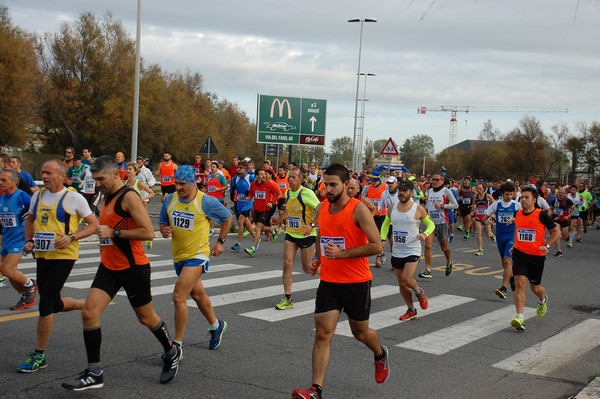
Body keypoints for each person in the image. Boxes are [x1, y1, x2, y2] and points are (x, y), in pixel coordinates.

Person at [62, 156, 180, 390]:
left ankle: (171, 350)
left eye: (101, 179)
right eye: (94, 179)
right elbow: (101, 226)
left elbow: (148, 232)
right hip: (108, 266)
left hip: (132, 268)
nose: (97, 184)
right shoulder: (107, 196)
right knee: (89, 313)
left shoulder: (129, 197)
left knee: (146, 318)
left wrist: (114, 233)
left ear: (116, 174)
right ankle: (94, 372)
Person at [291, 164, 389, 399]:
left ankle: (379, 354)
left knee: (361, 333)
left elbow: (377, 246)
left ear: (347, 185)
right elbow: (323, 234)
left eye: (334, 184)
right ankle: (316, 390)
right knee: (323, 333)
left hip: (357, 282)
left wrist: (342, 254)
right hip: (330, 282)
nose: (328, 188)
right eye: (326, 183)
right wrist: (318, 258)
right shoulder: (322, 208)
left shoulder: (358, 210)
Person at [18, 160, 98, 372]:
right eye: (42, 172)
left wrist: (72, 237)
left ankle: (39, 355)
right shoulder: (37, 196)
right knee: (53, 303)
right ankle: (86, 304)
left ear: (62, 177)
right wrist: (28, 240)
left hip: (64, 255)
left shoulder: (73, 197)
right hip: (43, 253)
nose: (44, 176)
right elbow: (30, 220)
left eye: (49, 173)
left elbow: (94, 225)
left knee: (45, 303)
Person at [159, 165, 232, 354]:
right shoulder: (170, 200)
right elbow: (162, 222)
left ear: (193, 183)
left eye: (182, 184)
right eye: (176, 183)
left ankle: (177, 345)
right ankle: (217, 326)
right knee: (198, 294)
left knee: (178, 296)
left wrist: (220, 242)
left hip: (197, 255)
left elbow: (227, 218)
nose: (178, 187)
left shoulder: (205, 201)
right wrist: (164, 230)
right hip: (179, 255)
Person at [380, 180, 434, 321]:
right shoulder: (392, 208)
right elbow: (385, 224)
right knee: (402, 284)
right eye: (400, 190)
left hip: (412, 249)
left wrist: (424, 234)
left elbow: (431, 224)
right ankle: (411, 309)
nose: (401, 193)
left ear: (411, 192)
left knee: (406, 278)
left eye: (404, 191)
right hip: (397, 250)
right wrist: (383, 239)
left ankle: (419, 292)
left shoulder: (418, 209)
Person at [509, 186, 560, 332]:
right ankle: (520, 317)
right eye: (521, 198)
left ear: (534, 200)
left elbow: (555, 232)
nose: (523, 200)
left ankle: (542, 299)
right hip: (519, 254)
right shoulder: (518, 213)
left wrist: (548, 246)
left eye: (526, 197)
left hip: (536, 256)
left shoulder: (541, 215)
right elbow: (519, 230)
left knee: (535, 288)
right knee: (520, 284)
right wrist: (515, 244)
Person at [275, 167, 319, 310]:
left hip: (306, 234)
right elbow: (288, 209)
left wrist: (311, 225)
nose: (291, 179)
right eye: (290, 177)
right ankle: (288, 298)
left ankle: (334, 276)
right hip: (291, 233)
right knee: (287, 263)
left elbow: (321, 209)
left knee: (308, 268)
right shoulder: (287, 193)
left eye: (294, 177)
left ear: (301, 179)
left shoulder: (307, 193)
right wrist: (280, 220)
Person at [0, 168, 35, 310]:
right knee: (7, 271)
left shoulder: (23, 197)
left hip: (20, 239)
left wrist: (31, 236)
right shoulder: (2, 198)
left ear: (15, 182)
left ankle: (30, 285)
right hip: (7, 240)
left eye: (4, 180)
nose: (0, 182)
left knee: (7, 269)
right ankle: (26, 295)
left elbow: (36, 213)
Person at [482, 181, 521, 299]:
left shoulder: (516, 205)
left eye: (511, 194)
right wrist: (487, 221)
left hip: (512, 237)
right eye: (507, 194)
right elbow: (484, 218)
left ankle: (503, 288)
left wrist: (515, 220)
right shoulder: (496, 205)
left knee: (507, 260)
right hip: (500, 237)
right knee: (505, 263)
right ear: (502, 194)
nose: (509, 197)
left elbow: (523, 219)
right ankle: (512, 277)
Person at [419, 174, 458, 279]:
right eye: (433, 180)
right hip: (431, 223)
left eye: (437, 180)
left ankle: (449, 261)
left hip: (442, 222)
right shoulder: (430, 191)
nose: (434, 181)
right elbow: (429, 205)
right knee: (428, 245)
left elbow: (455, 205)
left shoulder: (446, 191)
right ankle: (428, 270)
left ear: (442, 180)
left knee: (444, 247)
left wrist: (442, 206)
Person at [244, 168, 281, 256]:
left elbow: (277, 194)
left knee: (257, 228)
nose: (264, 176)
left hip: (265, 209)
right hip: (256, 209)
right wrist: (249, 197)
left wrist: (272, 203)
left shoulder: (269, 184)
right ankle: (273, 230)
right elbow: (251, 193)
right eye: (261, 174)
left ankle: (252, 248)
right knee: (262, 227)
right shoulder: (253, 184)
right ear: (256, 176)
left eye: (264, 174)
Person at [361, 171, 388, 267]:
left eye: (374, 181)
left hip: (382, 215)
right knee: (368, 235)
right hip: (370, 215)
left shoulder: (385, 187)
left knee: (379, 235)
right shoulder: (367, 188)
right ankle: (380, 254)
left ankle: (379, 256)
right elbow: (362, 199)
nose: (373, 183)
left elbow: (388, 199)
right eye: (372, 181)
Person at [229, 160, 256, 252]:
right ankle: (256, 238)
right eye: (238, 167)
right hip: (239, 203)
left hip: (248, 203)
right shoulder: (235, 178)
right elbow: (232, 190)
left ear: (245, 169)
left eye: (241, 168)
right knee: (247, 224)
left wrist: (250, 193)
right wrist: (232, 197)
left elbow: (258, 187)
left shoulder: (250, 177)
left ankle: (238, 244)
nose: (238, 169)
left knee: (240, 222)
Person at [550, 187, 576, 256]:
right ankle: (559, 251)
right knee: (557, 234)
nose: (561, 194)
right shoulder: (554, 201)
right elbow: (552, 209)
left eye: (562, 193)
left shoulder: (568, 201)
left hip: (565, 220)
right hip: (556, 219)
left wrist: (569, 215)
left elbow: (574, 209)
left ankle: (567, 237)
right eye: (559, 193)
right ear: (558, 193)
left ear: (565, 194)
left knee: (564, 237)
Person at [472, 182, 496, 256]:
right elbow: (473, 204)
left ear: (484, 189)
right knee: (479, 233)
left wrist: (492, 214)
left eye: (480, 189)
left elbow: (495, 204)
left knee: (488, 234)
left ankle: (492, 235)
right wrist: (474, 210)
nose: (478, 190)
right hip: (478, 217)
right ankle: (480, 249)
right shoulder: (475, 196)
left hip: (486, 217)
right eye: (477, 189)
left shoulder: (488, 196)